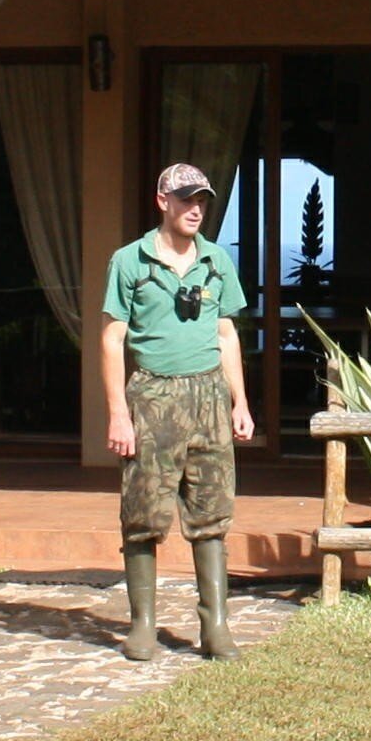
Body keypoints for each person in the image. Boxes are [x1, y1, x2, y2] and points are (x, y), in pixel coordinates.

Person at [101, 161, 254, 663]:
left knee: (212, 512)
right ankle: (143, 625)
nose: (196, 209)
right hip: (152, 397)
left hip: (209, 396)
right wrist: (118, 413)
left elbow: (227, 333)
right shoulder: (130, 261)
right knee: (143, 512)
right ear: (162, 201)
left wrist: (240, 402)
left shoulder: (216, 261)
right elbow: (111, 340)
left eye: (203, 201)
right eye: (186, 200)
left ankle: (216, 627)